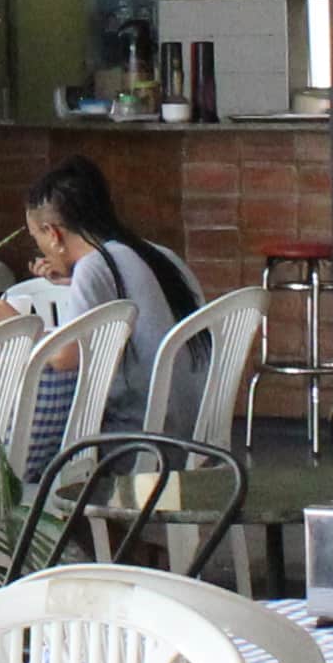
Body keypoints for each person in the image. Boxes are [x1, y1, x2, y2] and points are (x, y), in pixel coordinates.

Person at [22, 155, 199, 460]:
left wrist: (18, 326)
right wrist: (72, 281)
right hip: (192, 435)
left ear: (53, 233)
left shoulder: (95, 266)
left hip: (139, 440)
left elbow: (65, 358)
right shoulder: (161, 256)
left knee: (31, 453)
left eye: (35, 236)